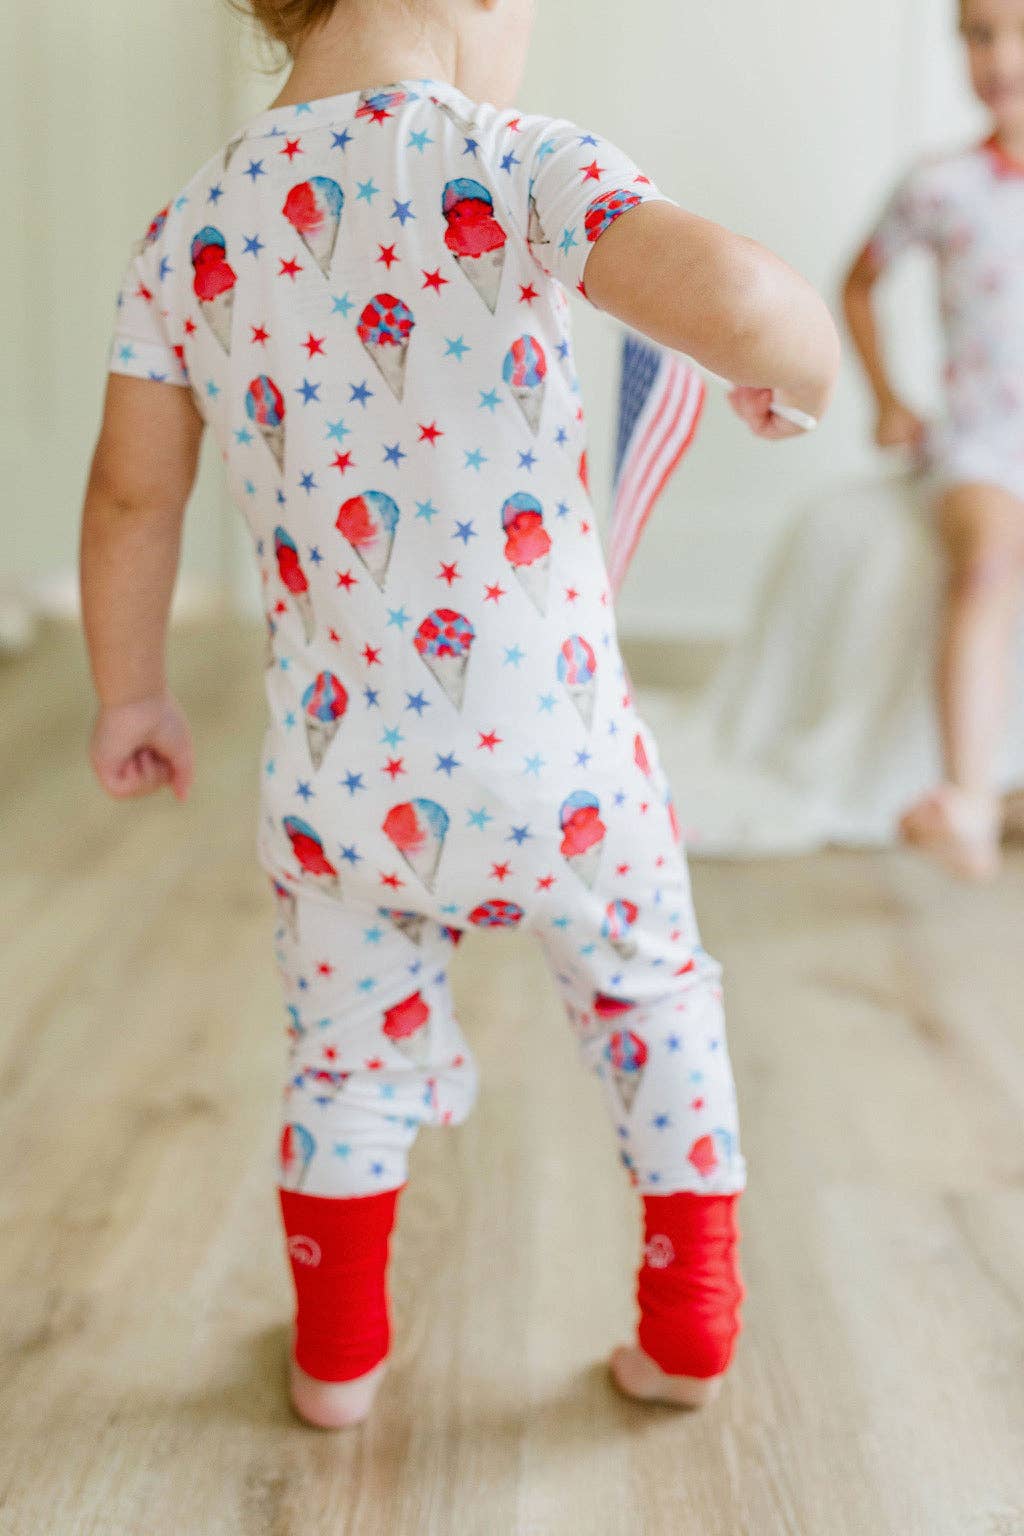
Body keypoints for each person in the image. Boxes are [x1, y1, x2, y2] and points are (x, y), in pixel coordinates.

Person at [80, 0, 839, 1428]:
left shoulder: (188, 229)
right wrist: (803, 374)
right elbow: (744, 305)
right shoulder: (516, 161)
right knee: (652, 999)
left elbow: (132, 496)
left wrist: (132, 692)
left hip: (341, 781)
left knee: (346, 1061)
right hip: (564, 769)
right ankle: (688, 1326)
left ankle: (337, 1361)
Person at [844, 0, 1024, 881]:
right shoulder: (941, 185)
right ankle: (970, 802)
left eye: (1020, 32)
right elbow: (858, 282)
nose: (1000, 57)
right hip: (984, 442)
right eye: (980, 34)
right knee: (988, 561)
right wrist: (888, 399)